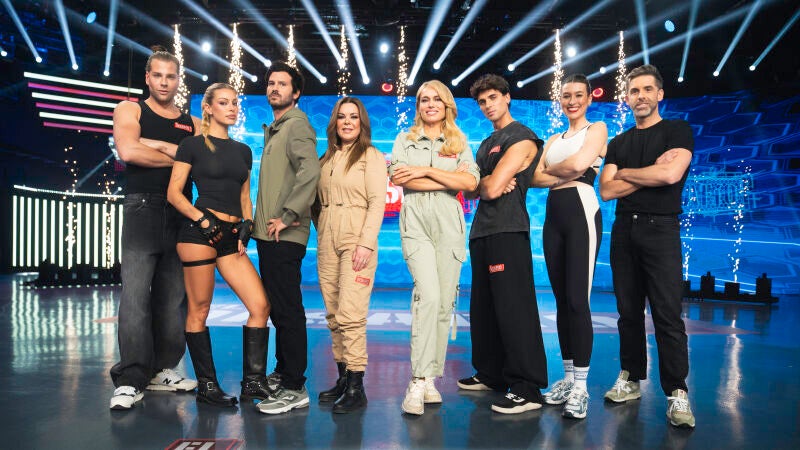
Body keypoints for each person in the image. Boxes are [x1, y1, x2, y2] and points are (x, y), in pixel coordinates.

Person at [599, 64, 695, 428]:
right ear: (627, 98)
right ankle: (630, 378)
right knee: (628, 313)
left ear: (660, 94)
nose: (640, 96)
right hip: (624, 231)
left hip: (662, 230)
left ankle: (677, 392)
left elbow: (670, 174)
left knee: (667, 314)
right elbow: (607, 190)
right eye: (634, 91)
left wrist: (625, 173)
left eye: (647, 89)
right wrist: (645, 174)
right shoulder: (619, 142)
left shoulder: (677, 130)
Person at [167, 82, 271, 407]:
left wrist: (247, 224)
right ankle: (207, 386)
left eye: (235, 103)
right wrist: (202, 219)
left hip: (230, 236)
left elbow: (245, 196)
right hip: (199, 233)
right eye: (224, 102)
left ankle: (253, 383)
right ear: (208, 108)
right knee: (199, 310)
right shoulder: (192, 145)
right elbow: (174, 194)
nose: (232, 108)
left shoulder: (243, 151)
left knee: (260, 307)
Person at [109, 47, 200, 410]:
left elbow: (199, 163)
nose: (164, 82)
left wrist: (158, 146)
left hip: (180, 211)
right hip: (142, 208)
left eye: (170, 76)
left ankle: (162, 369)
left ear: (178, 80)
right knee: (135, 297)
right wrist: (175, 152)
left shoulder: (192, 123)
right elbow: (129, 152)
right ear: (147, 78)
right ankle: (131, 378)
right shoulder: (130, 109)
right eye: (158, 75)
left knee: (173, 298)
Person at [457, 74, 548, 415]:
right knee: (484, 309)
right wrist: (486, 182)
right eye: (482, 102)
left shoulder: (522, 137)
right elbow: (470, 189)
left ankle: (527, 386)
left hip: (508, 230)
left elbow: (493, 188)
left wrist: (488, 182)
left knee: (514, 310)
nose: (487, 105)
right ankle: (491, 374)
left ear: (507, 97)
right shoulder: (486, 144)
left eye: (493, 97)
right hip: (481, 232)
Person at [389, 80, 480, 416]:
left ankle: (430, 379)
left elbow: (469, 182)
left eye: (436, 100)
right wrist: (446, 175)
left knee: (443, 303)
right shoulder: (405, 138)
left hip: (449, 222)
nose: (430, 105)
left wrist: (425, 170)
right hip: (416, 221)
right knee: (427, 296)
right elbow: (399, 178)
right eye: (424, 100)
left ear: (446, 106)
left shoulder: (459, 141)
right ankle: (416, 379)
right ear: (418, 106)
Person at [532, 74, 608, 419]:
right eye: (566, 96)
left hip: (581, 212)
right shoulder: (553, 139)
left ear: (589, 98)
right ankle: (566, 379)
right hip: (554, 217)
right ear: (560, 100)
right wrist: (568, 169)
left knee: (578, 300)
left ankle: (581, 386)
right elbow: (534, 178)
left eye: (578, 95)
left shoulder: (597, 129)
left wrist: (557, 171)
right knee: (562, 302)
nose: (572, 101)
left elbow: (580, 165)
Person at [252, 62, 321, 415]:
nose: (274, 88)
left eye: (282, 84)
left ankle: (295, 386)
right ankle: (282, 371)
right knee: (280, 308)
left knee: (289, 310)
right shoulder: (277, 129)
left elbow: (311, 171)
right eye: (271, 83)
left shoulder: (297, 126)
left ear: (296, 92)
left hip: (285, 234)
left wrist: (290, 214)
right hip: (269, 233)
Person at [313, 97, 386, 413]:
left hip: (357, 236)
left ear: (361, 123)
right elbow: (315, 203)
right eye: (341, 117)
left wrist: (365, 243)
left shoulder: (371, 156)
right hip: (327, 235)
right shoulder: (325, 159)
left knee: (351, 313)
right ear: (334, 122)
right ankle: (343, 379)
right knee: (333, 314)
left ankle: (357, 387)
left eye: (353, 117)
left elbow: (377, 202)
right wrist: (322, 229)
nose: (347, 122)